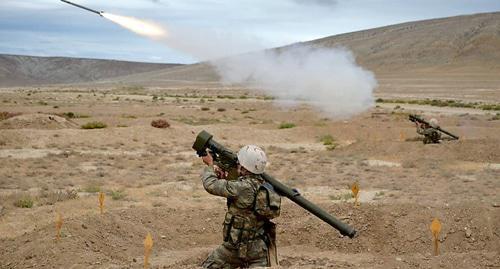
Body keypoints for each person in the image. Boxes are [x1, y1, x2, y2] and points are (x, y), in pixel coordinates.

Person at [200, 145, 279, 268]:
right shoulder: (265, 186)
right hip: (259, 250)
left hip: (235, 249)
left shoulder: (241, 187)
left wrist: (210, 165)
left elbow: (210, 184)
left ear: (243, 167)